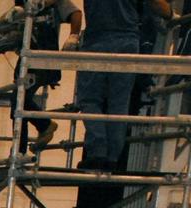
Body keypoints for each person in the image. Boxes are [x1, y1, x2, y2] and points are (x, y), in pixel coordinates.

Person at [75, 0, 171, 170]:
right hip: (127, 40)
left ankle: (98, 152)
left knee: (89, 99)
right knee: (119, 101)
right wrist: (171, 14)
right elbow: (156, 4)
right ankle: (113, 157)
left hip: (97, 39)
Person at [12, 0, 83, 152]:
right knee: (17, 103)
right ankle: (20, 150)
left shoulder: (53, 2)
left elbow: (76, 13)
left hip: (44, 57)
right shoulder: (21, 3)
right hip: (27, 57)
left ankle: (36, 134)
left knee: (19, 100)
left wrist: (73, 36)